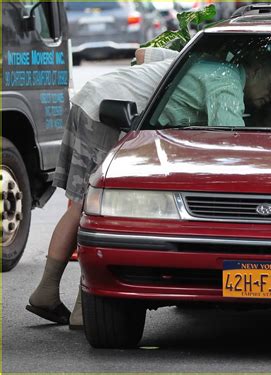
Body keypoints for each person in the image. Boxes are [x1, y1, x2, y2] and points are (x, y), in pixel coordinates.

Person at [26, 47, 179, 328]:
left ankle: (50, 293)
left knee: (80, 204)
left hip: (89, 98)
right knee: (94, 209)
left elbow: (141, 53)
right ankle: (79, 306)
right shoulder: (220, 75)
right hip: (106, 113)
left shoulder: (191, 50)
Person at [158, 54, 271, 127]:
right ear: (256, 70)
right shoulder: (227, 82)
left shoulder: (219, 68)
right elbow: (232, 140)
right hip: (140, 123)